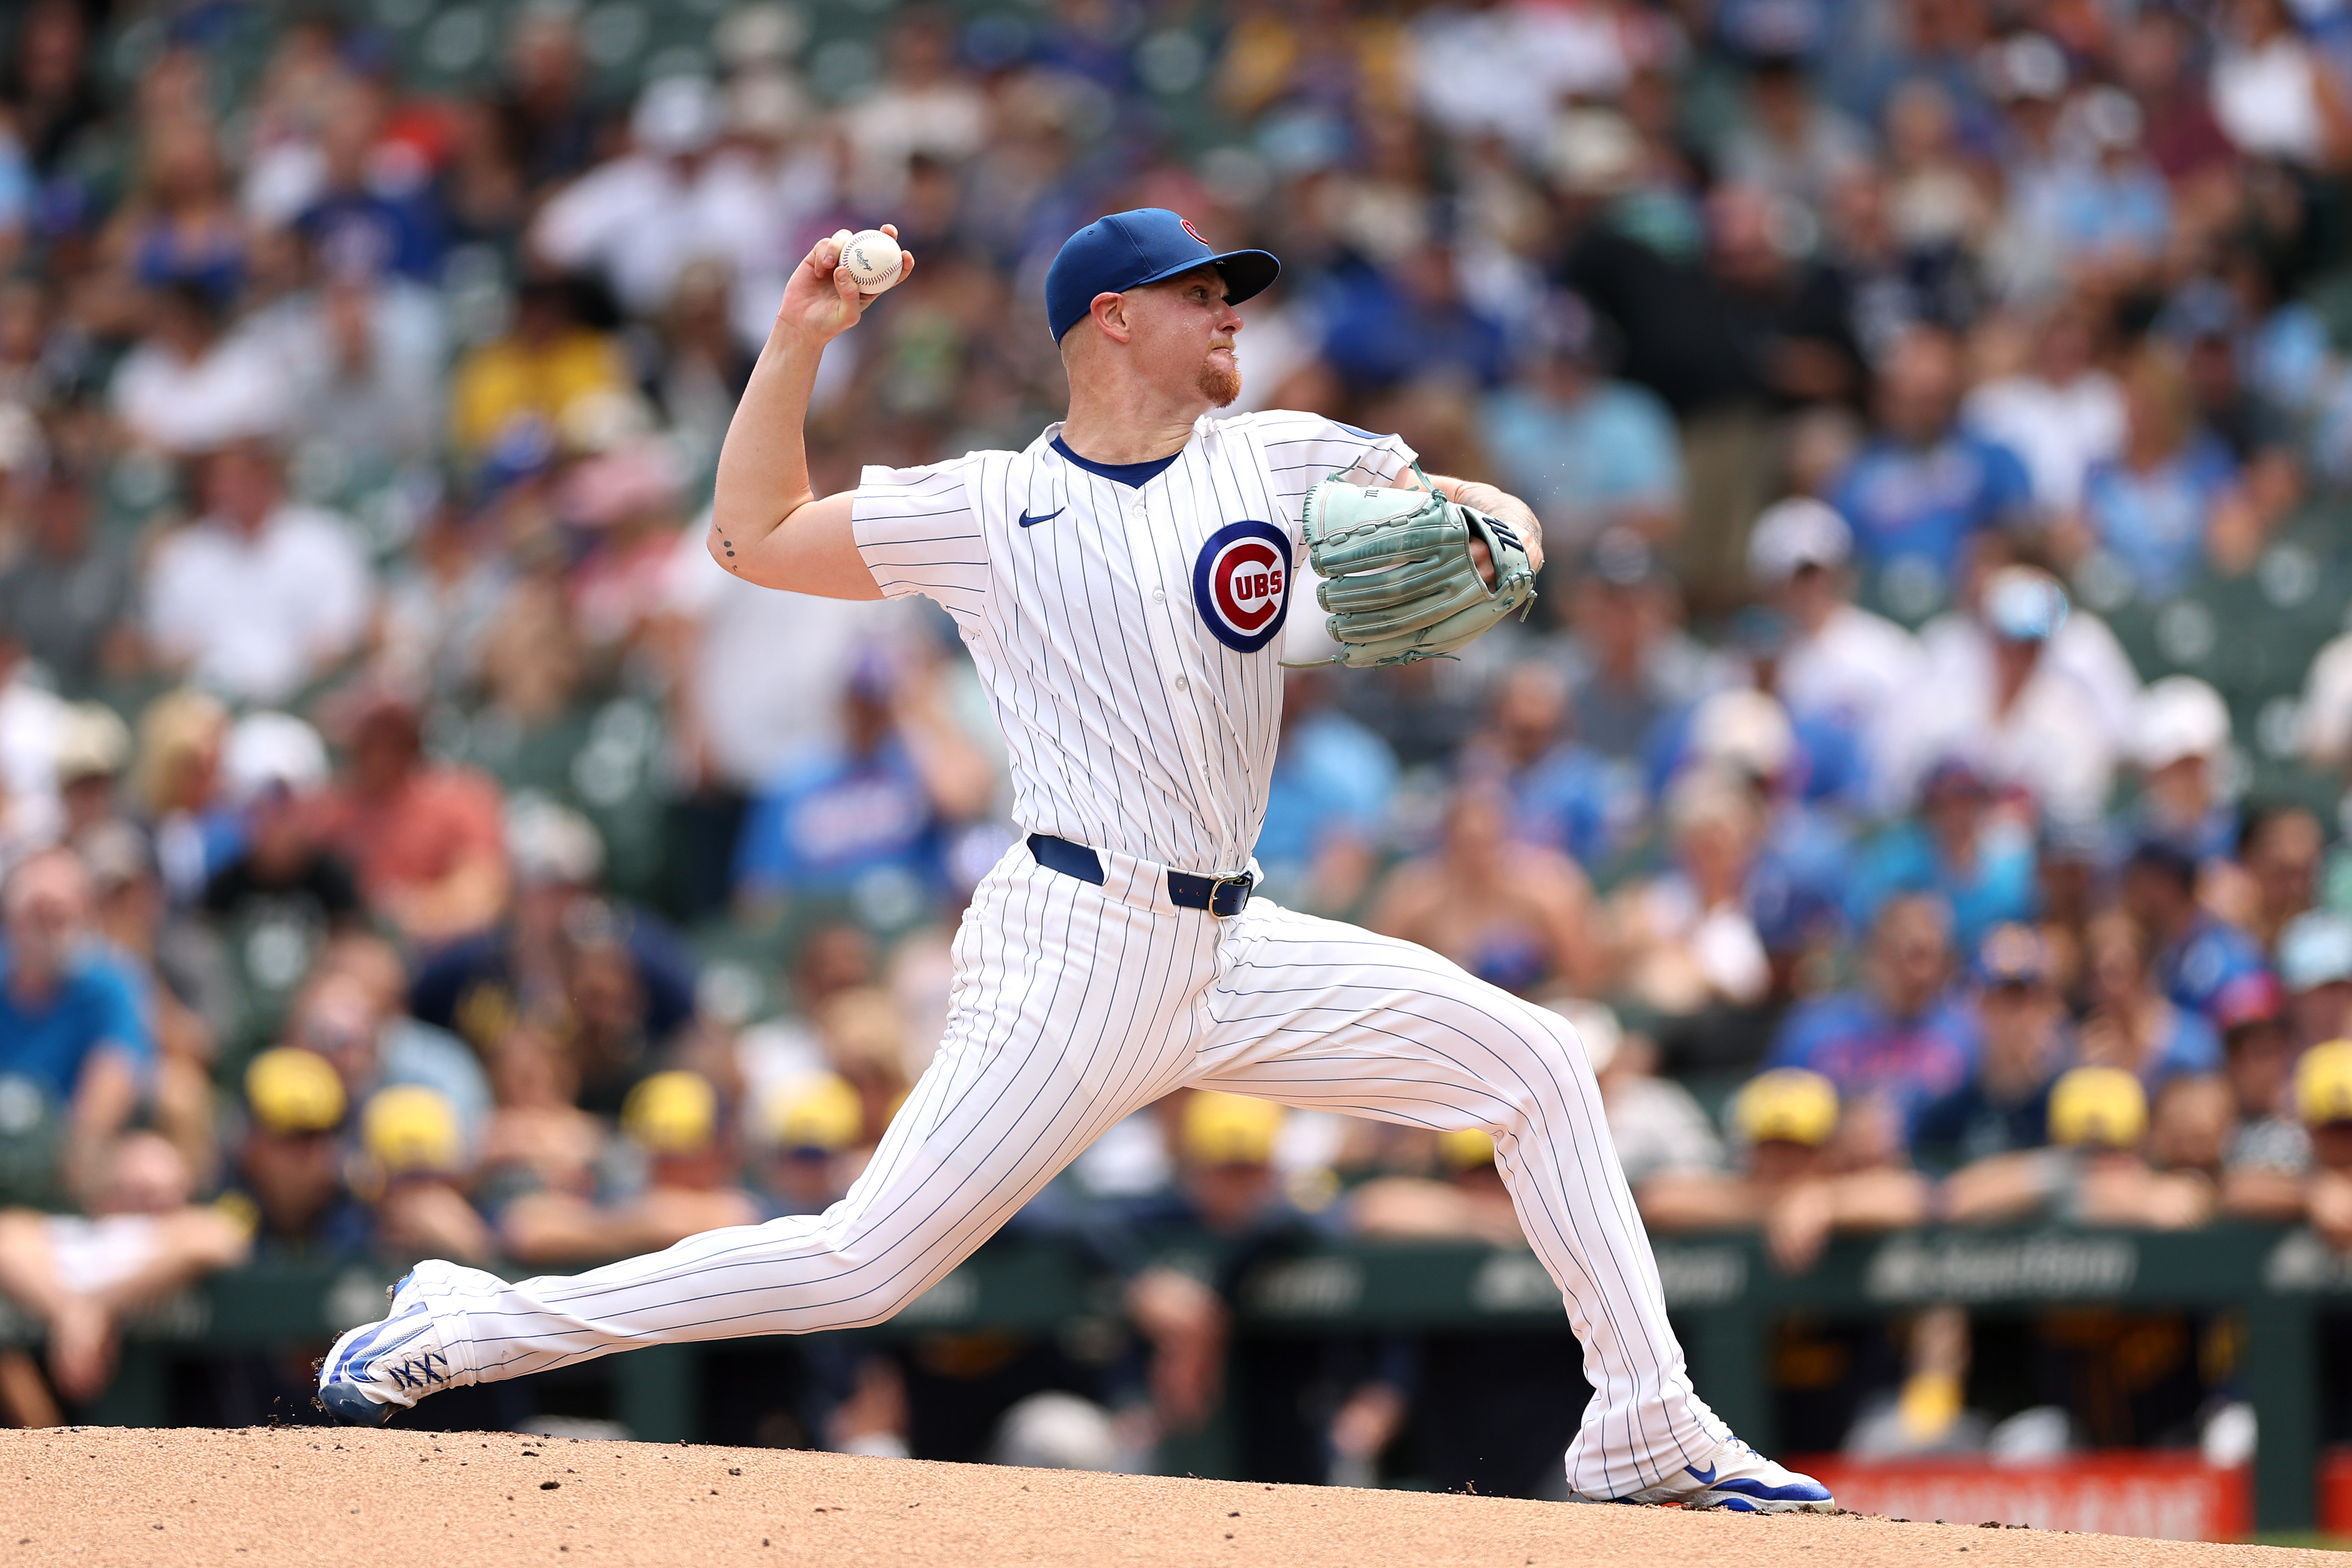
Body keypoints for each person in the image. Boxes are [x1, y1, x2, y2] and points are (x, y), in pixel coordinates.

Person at [318, 208, 1835, 1510]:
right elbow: (751, 536)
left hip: (1233, 943)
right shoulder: (989, 505)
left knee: (1537, 1065)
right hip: (1073, 942)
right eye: (1198, 295)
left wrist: (1488, 533)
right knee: (861, 1268)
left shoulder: (1284, 452)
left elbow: (1483, 512)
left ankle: (1641, 1421)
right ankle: (475, 1318)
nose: (1228, 311)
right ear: (1112, 321)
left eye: (1229, 292)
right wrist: (799, 337)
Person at [0, 848, 150, 1206]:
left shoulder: (110, 987)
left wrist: (63, 1155)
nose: (48, 928)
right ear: (11, 918)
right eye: (37, 914)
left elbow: (114, 1079)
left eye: (61, 915)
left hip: (69, 1160)